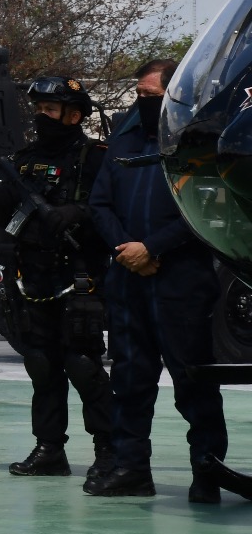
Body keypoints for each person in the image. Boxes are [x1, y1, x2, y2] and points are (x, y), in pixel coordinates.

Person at [86, 59, 231, 502]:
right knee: (129, 380)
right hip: (129, 278)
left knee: (193, 382)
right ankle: (132, 469)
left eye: (152, 96)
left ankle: (207, 471)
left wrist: (153, 248)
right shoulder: (124, 139)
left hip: (180, 280)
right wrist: (127, 251)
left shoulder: (198, 143)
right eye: (141, 96)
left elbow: (208, 207)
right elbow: (100, 205)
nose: (143, 103)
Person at [0, 75, 113, 480]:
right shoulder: (21, 161)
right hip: (33, 279)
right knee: (41, 364)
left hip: (80, 277)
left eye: (50, 110)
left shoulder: (95, 159)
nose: (42, 116)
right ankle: (49, 448)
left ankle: (108, 450)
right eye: (38, 109)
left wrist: (80, 214)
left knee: (83, 366)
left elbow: (113, 211)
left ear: (74, 115)